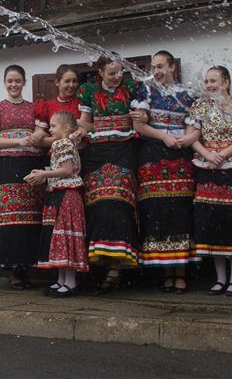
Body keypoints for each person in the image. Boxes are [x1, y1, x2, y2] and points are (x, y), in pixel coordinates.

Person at [183, 66, 232, 295]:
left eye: (214, 80)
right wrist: (207, 155)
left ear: (226, 82)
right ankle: (219, 277)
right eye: (207, 81)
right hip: (206, 165)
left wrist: (223, 155)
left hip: (231, 165)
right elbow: (191, 137)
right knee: (211, 220)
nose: (209, 85)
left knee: (231, 222)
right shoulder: (200, 106)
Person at [130, 51, 196, 293]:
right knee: (157, 210)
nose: (156, 71)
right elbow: (139, 125)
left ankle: (181, 271)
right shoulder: (146, 91)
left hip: (180, 155)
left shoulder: (187, 94)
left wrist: (184, 139)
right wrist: (165, 136)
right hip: (154, 155)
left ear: (172, 68)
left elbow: (193, 126)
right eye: (153, 67)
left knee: (180, 210)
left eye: (160, 67)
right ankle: (166, 271)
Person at [74, 56, 139, 293]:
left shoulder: (131, 86)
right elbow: (85, 123)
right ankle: (102, 263)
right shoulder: (88, 90)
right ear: (100, 72)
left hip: (124, 150)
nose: (117, 77)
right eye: (112, 73)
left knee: (120, 202)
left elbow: (139, 117)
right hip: (97, 152)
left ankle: (120, 265)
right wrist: (77, 133)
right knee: (98, 204)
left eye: (119, 72)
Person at [0, 65, 45, 289]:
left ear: (24, 82)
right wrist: (19, 141)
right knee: (9, 219)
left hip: (30, 165)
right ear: (5, 82)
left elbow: (40, 137)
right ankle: (13, 269)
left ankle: (25, 266)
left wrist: (43, 137)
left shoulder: (35, 109)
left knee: (29, 219)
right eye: (10, 81)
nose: (14, 85)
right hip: (6, 165)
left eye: (17, 81)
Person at [26, 110, 88, 296]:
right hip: (61, 193)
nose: (50, 129)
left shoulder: (62, 143)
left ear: (67, 128)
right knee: (61, 237)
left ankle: (70, 282)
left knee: (64, 235)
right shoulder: (65, 144)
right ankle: (62, 280)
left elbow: (67, 170)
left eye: (53, 126)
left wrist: (44, 174)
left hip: (66, 195)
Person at [32, 64, 84, 148]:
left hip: (81, 155)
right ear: (57, 82)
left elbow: (91, 128)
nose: (71, 85)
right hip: (56, 156)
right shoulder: (46, 106)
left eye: (74, 81)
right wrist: (64, 138)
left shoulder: (83, 104)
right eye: (67, 81)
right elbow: (36, 140)